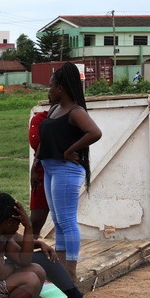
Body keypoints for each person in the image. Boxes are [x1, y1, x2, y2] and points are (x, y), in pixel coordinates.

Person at [0, 177, 112, 298]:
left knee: (38, 266)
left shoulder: (1, 230)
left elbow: (19, 249)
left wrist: (34, 236)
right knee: (30, 281)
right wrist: (16, 264)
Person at [33, 62, 102, 283]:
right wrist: (36, 165)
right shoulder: (54, 110)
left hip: (66, 171)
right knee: (58, 220)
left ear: (61, 88)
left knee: (66, 221)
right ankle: (62, 269)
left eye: (51, 87)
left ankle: (70, 271)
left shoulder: (75, 111)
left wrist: (71, 150)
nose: (49, 90)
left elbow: (95, 132)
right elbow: (44, 141)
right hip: (50, 168)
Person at [29, 109, 49, 238]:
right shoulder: (40, 118)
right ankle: (27, 254)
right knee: (36, 219)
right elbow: (36, 143)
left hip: (62, 170)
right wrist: (35, 167)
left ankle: (66, 256)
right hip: (42, 169)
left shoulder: (75, 114)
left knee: (64, 220)